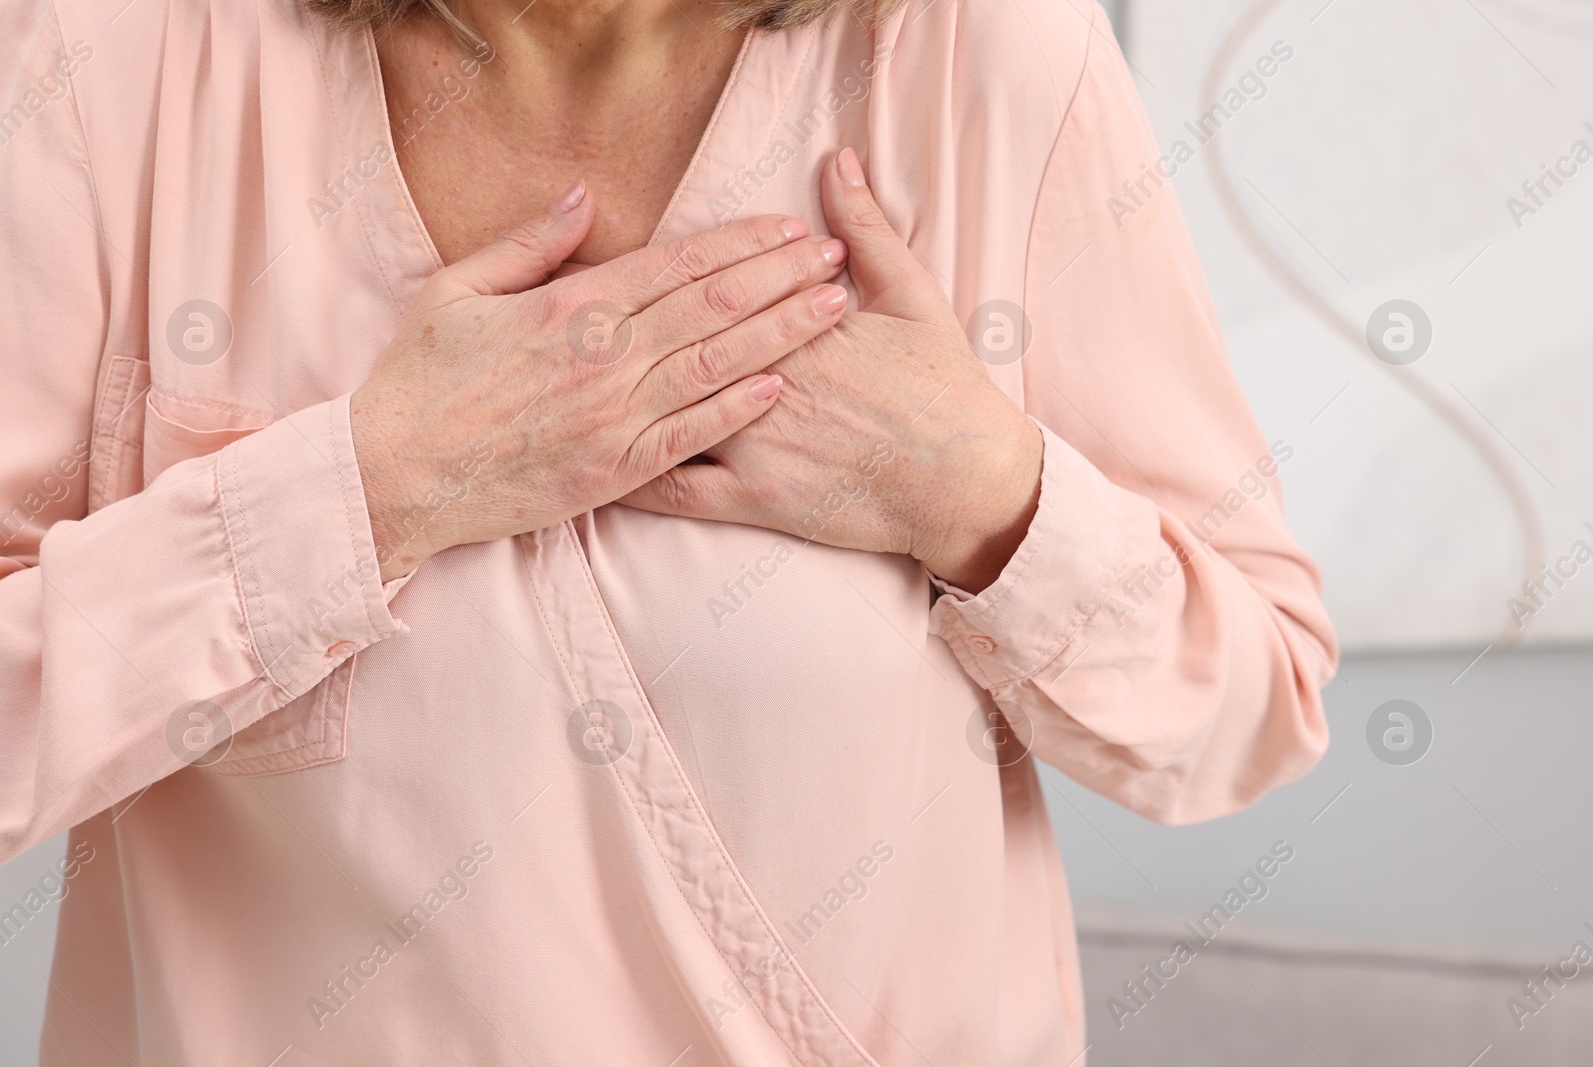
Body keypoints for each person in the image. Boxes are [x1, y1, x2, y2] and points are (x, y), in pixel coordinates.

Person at [0, 0, 1336, 1060]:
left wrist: (984, 495)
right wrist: (370, 486)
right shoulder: (105, 54)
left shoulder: (980, 54)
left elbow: (1248, 712)